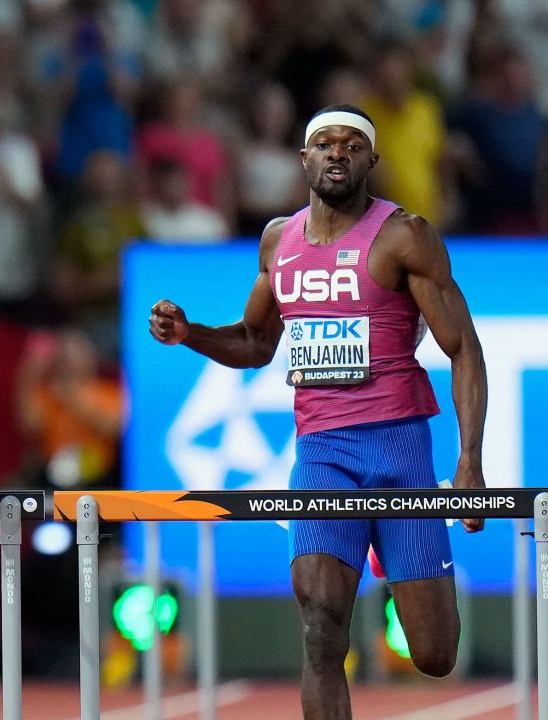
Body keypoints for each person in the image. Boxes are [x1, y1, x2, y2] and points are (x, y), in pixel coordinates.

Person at [149, 105, 486, 719]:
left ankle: (389, 544)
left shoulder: (404, 236)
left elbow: (464, 351)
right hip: (322, 454)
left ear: (371, 161)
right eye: (324, 144)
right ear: (303, 159)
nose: (337, 154)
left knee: (434, 654)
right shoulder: (280, 240)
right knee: (320, 628)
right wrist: (190, 333)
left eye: (352, 146)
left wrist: (468, 461)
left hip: (400, 450)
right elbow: (255, 342)